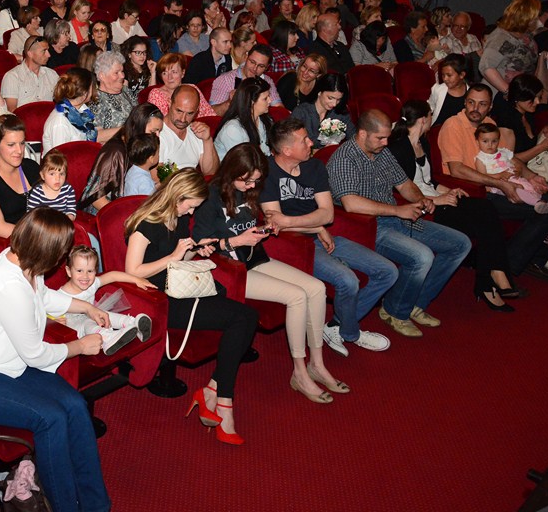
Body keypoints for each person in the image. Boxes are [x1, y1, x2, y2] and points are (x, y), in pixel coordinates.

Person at [0, 208, 111, 508]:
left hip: (8, 363)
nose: (63, 259)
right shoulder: (10, 285)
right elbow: (35, 353)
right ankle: (65, 506)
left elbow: (44, 296)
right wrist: (80, 346)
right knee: (51, 418)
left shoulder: (22, 262)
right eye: (61, 253)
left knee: (74, 404)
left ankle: (96, 504)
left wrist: (86, 308)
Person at [194, 144, 345, 403]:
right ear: (232, 172)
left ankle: (316, 364)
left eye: (255, 180)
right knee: (297, 296)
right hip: (229, 268)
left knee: (316, 288)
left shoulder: (250, 191)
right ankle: (299, 371)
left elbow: (256, 224)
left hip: (254, 258)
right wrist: (238, 241)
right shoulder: (211, 196)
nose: (251, 186)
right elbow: (201, 243)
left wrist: (268, 226)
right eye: (246, 180)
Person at [123, 169, 259, 441]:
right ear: (177, 196)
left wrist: (197, 249)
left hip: (180, 287)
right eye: (190, 206)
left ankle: (213, 390)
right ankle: (223, 401)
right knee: (243, 318)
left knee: (244, 314)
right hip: (159, 300)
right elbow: (132, 271)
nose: (190, 213)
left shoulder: (177, 217)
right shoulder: (146, 223)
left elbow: (180, 256)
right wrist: (174, 256)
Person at [327, 110, 471, 337]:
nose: (385, 143)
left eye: (387, 138)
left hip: (398, 218)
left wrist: (421, 200)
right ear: (362, 133)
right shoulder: (345, 157)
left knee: (460, 243)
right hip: (370, 227)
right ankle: (395, 311)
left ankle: (413, 302)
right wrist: (398, 210)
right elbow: (351, 203)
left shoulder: (382, 152)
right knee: (422, 256)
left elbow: (404, 184)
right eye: (380, 138)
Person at [261, 118, 395, 355]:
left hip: (318, 235)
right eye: (304, 140)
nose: (311, 142)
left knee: (387, 271)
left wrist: (304, 224)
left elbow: (327, 214)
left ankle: (337, 325)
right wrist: (315, 227)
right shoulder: (266, 173)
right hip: (293, 247)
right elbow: (274, 224)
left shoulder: (314, 167)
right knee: (348, 280)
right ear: (287, 150)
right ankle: (350, 333)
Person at [388, 100, 523, 311]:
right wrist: (437, 199)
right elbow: (401, 189)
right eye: (431, 115)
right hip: (425, 206)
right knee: (479, 222)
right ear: (424, 119)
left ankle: (492, 276)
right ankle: (490, 280)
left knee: (486, 209)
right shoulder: (398, 148)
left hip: (437, 198)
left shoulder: (422, 143)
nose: (432, 119)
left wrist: (447, 191)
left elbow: (430, 180)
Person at [436, 84, 548, 279]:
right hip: (474, 193)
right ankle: (508, 266)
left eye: (482, 104)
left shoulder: (489, 122)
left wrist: (532, 176)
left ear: (490, 107)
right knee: (545, 210)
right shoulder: (453, 125)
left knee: (547, 197)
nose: (475, 109)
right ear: (465, 102)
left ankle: (533, 258)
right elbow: (456, 169)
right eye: (471, 103)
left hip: (496, 185)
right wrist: (499, 183)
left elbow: (509, 157)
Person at [81, 103, 164, 214]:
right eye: (153, 132)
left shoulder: (143, 147)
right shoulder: (115, 151)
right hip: (106, 212)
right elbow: (95, 198)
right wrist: (123, 216)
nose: (157, 136)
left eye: (159, 131)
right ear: (139, 126)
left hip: (131, 206)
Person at [0, 115, 41, 240]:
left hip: (43, 232)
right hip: (14, 240)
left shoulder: (31, 167)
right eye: (11, 145)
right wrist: (38, 237)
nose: (19, 150)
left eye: (21, 143)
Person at [479, 0, 543, 94]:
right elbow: (486, 67)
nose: (537, 19)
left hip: (522, 91)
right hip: (499, 94)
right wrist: (510, 93)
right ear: (526, 17)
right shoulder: (503, 38)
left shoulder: (525, 33)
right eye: (535, 16)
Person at [158, 85, 218, 175]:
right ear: (169, 103)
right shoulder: (157, 133)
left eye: (190, 113)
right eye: (179, 111)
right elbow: (157, 176)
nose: (183, 119)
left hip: (193, 186)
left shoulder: (196, 131)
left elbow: (210, 172)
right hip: (172, 187)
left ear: (197, 111)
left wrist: (207, 140)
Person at [209, 44, 281, 115]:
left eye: (261, 66)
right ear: (246, 57)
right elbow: (212, 113)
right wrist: (229, 102)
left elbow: (279, 109)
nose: (254, 69)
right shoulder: (226, 79)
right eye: (252, 62)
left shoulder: (267, 81)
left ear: (267, 67)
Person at [214, 76, 274, 159]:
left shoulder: (265, 120)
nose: (270, 101)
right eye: (265, 98)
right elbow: (242, 163)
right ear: (251, 102)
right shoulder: (233, 129)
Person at [291, 72, 354, 150]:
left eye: (338, 100)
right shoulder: (301, 112)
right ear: (319, 92)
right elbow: (293, 143)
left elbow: (353, 138)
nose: (334, 104)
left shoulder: (341, 112)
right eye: (330, 98)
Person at [42, 67, 97, 153]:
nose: (95, 90)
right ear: (84, 93)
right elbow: (59, 157)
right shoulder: (60, 121)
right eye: (92, 87)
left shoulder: (83, 112)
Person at [1, 35, 59, 112]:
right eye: (44, 51)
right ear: (30, 54)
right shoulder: (12, 77)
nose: (49, 55)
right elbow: (12, 111)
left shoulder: (52, 74)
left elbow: (63, 100)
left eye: (48, 50)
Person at [89, 50, 135, 143]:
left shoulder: (126, 91)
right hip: (114, 149)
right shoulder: (95, 99)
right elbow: (96, 136)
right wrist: (128, 130)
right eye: (116, 72)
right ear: (102, 75)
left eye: (122, 71)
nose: (122, 76)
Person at [153, 52, 215, 118]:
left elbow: (210, 114)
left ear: (183, 73)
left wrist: (202, 125)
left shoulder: (192, 89)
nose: (169, 77)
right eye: (164, 73)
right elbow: (158, 122)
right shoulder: (156, 94)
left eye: (174, 72)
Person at [428, 53, 471, 128]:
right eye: (443, 75)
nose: (445, 79)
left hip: (459, 131)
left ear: (461, 75)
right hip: (438, 129)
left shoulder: (471, 93)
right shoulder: (438, 89)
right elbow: (430, 107)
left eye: (449, 75)